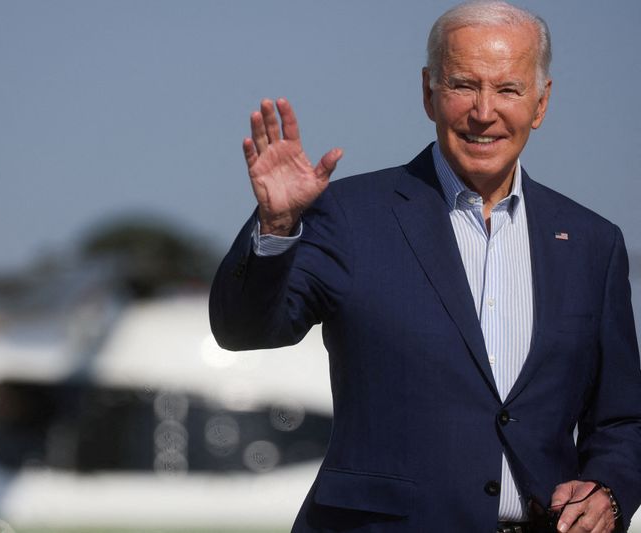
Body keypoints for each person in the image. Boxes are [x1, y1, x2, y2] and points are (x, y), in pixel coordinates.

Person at [209, 1, 641, 532]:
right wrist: (276, 227)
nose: (485, 112)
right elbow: (245, 330)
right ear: (428, 93)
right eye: (464, 85)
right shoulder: (347, 215)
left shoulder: (593, 243)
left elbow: (622, 421)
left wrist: (610, 493)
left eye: (508, 89)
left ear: (541, 102)